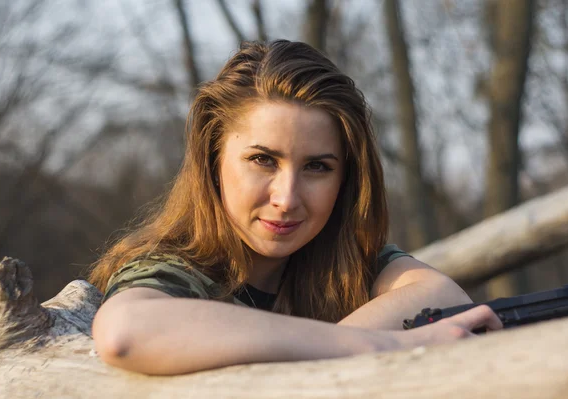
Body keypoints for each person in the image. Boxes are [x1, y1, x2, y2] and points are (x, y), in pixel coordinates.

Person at [90, 40, 502, 376]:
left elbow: (441, 293)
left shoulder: (349, 262)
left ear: (346, 181)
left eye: (317, 167)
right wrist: (384, 344)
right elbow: (124, 333)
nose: (287, 198)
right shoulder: (173, 271)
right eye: (262, 160)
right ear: (212, 161)